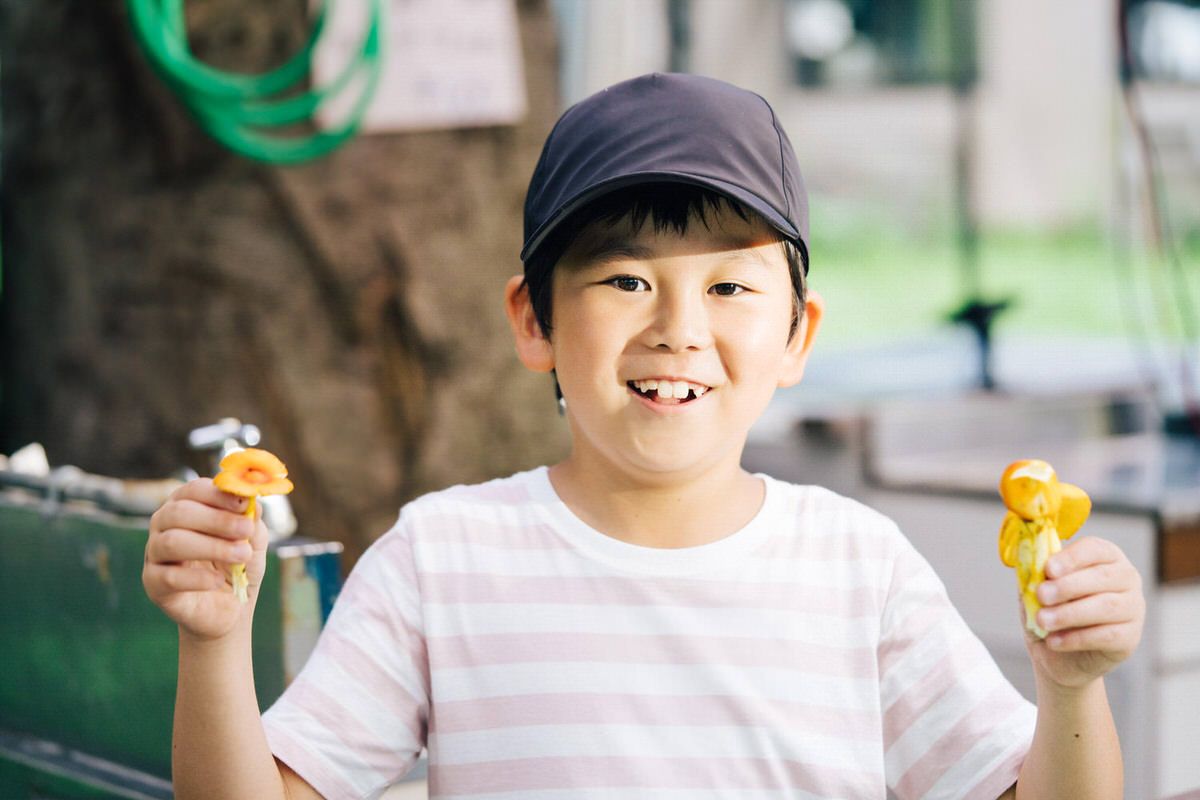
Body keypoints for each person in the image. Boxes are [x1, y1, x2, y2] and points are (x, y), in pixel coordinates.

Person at [144, 73, 1145, 800]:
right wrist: (213, 643)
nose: (678, 328)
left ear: (797, 336)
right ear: (533, 320)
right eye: (625, 279)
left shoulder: (859, 566)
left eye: (730, 286)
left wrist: (1070, 687)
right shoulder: (441, 559)